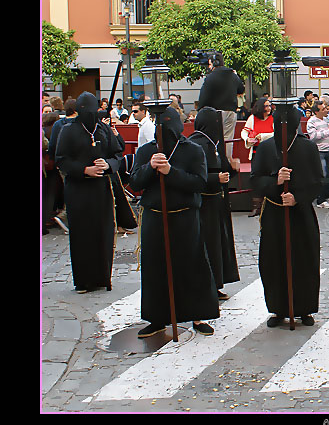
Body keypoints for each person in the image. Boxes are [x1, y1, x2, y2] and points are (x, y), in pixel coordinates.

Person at [129, 107, 220, 337]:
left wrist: (170, 171)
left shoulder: (193, 150)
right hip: (155, 216)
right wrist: (150, 167)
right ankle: (157, 317)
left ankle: (197, 316)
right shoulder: (146, 151)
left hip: (184, 216)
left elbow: (199, 182)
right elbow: (136, 181)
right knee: (155, 269)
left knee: (191, 266)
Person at [250, 105, 322, 328]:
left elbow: (318, 182)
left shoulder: (308, 148)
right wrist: (276, 181)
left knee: (304, 260)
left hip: (300, 215)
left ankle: (305, 308)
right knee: (274, 261)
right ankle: (278, 308)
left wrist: (298, 197)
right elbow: (255, 181)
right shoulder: (265, 148)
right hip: (274, 213)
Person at [54, 92, 123, 293]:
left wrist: (108, 164)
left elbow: (117, 155)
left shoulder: (103, 130)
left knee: (103, 232)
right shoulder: (68, 131)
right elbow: (62, 160)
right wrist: (84, 170)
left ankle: (103, 277)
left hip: (101, 190)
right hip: (78, 190)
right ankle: (83, 281)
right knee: (82, 235)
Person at [188, 107, 240, 300]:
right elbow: (193, 175)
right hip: (203, 205)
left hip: (218, 204)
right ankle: (205, 286)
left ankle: (217, 283)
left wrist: (232, 169)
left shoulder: (214, 143)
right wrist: (214, 178)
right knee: (207, 245)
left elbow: (223, 171)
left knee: (218, 245)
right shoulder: (195, 144)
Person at [197, 51, 245, 159]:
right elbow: (241, 89)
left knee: (212, 139)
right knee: (228, 140)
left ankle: (214, 161)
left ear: (214, 63)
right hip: (231, 112)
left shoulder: (210, 77)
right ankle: (226, 161)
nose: (209, 67)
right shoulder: (232, 75)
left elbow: (204, 97)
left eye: (210, 64)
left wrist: (200, 111)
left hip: (214, 113)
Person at [241, 97, 274, 216]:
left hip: (270, 152)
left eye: (269, 106)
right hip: (256, 151)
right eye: (266, 106)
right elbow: (244, 132)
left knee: (270, 176)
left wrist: (263, 136)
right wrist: (247, 139)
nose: (268, 108)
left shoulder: (273, 118)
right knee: (255, 178)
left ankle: (269, 204)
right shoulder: (252, 118)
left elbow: (276, 133)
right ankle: (256, 206)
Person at [307, 99, 329, 209]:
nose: (326, 111)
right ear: (317, 112)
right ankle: (320, 199)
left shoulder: (326, 120)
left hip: (328, 150)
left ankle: (327, 196)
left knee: (328, 175)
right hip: (319, 151)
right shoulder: (311, 121)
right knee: (323, 175)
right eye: (323, 109)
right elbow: (313, 136)